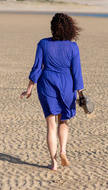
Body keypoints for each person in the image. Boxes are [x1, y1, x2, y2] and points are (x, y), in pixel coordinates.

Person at [20, 13, 85, 171]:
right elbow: (77, 73)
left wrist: (29, 89)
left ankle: (54, 162)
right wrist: (81, 95)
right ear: (70, 28)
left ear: (53, 28)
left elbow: (36, 68)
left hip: (47, 84)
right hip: (66, 86)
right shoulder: (72, 47)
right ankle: (63, 150)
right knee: (63, 122)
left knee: (51, 125)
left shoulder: (43, 43)